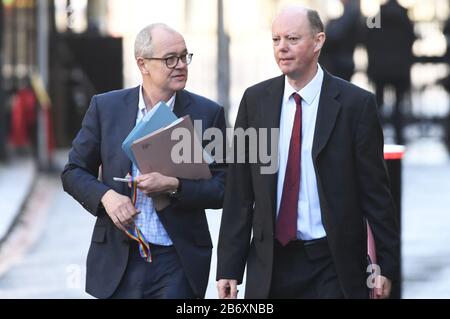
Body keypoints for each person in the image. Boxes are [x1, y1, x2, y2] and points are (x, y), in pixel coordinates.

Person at [216, 6, 399, 299]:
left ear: (318, 41)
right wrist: (228, 267)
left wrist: (385, 265)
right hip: (272, 264)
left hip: (332, 263)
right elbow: (240, 191)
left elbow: (376, 195)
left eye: (292, 39)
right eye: (276, 40)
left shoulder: (355, 105)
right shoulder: (255, 102)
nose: (282, 48)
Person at [61, 23, 226, 299]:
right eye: (170, 59)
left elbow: (223, 187)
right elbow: (73, 172)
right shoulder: (106, 108)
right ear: (143, 64)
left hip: (177, 261)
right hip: (119, 259)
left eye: (185, 56)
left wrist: (174, 185)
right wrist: (107, 198)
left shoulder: (207, 114)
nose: (181, 65)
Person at [364, 0, 415, 145]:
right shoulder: (404, 17)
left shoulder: (375, 18)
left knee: (378, 105)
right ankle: (399, 138)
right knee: (398, 107)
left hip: (379, 69)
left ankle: (376, 138)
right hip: (400, 70)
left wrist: (372, 65)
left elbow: (367, 40)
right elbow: (410, 40)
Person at [319, 0, 362, 82]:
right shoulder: (352, 10)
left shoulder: (352, 10)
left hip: (340, 61)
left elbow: (336, 34)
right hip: (343, 60)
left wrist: (330, 25)